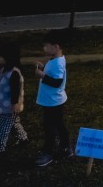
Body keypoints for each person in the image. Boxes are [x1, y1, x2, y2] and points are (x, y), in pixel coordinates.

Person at [34, 29, 73, 167]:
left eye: (46, 45)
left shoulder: (57, 63)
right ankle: (66, 148)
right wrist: (44, 68)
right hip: (54, 101)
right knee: (58, 125)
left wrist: (42, 75)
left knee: (49, 127)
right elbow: (55, 76)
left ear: (56, 47)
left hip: (53, 101)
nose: (44, 48)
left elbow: (56, 83)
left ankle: (48, 153)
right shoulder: (56, 59)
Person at [0, 42, 28, 155]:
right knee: (13, 123)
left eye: (1, 57)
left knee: (1, 128)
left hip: (9, 106)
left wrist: (15, 103)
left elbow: (16, 90)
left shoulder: (14, 73)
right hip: (2, 105)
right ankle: (23, 138)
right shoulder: (1, 69)